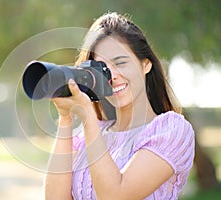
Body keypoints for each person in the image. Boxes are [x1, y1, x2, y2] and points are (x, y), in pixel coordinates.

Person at [44, 12, 195, 200]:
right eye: (102, 69)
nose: (112, 76)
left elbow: (114, 196)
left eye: (121, 63)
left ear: (145, 64)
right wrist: (66, 119)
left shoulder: (171, 131)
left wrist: (88, 118)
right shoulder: (89, 136)